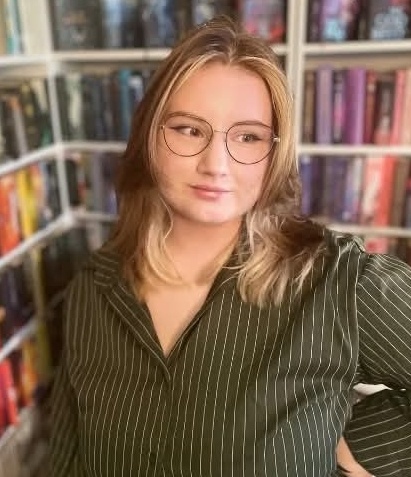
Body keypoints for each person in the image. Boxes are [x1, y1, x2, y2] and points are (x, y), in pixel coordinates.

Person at [48, 16, 411, 477]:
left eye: (248, 137)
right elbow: (66, 453)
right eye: (189, 130)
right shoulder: (93, 287)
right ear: (149, 136)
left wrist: (357, 448)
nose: (216, 164)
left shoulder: (340, 284)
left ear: (273, 154)